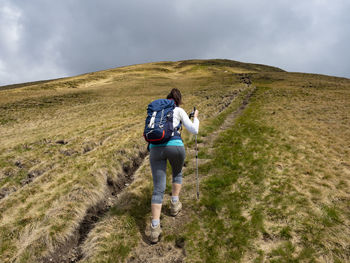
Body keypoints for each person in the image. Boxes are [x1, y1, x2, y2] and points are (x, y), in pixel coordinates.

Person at [149, 88, 199, 243]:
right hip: (175, 146)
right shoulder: (178, 110)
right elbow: (194, 130)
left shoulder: (157, 113)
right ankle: (174, 204)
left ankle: (154, 229)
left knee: (158, 188)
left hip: (155, 148)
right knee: (177, 173)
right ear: (178, 100)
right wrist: (195, 117)